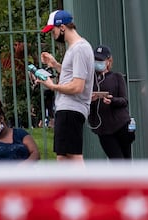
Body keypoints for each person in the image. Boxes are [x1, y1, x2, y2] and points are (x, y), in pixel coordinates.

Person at [38, 10, 95, 163]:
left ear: (62, 27)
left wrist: (53, 86)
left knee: (73, 156)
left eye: (53, 30)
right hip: (68, 109)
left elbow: (77, 86)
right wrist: (55, 65)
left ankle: (84, 187)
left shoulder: (79, 48)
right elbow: (74, 75)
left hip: (71, 109)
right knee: (63, 157)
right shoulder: (77, 48)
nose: (52, 34)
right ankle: (68, 187)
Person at [88, 45, 134, 159]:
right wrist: (92, 100)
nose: (98, 62)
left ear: (108, 61)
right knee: (117, 160)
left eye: (101, 60)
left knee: (126, 159)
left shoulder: (116, 77)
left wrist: (112, 100)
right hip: (103, 128)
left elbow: (124, 101)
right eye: (96, 60)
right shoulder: (91, 79)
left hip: (121, 125)